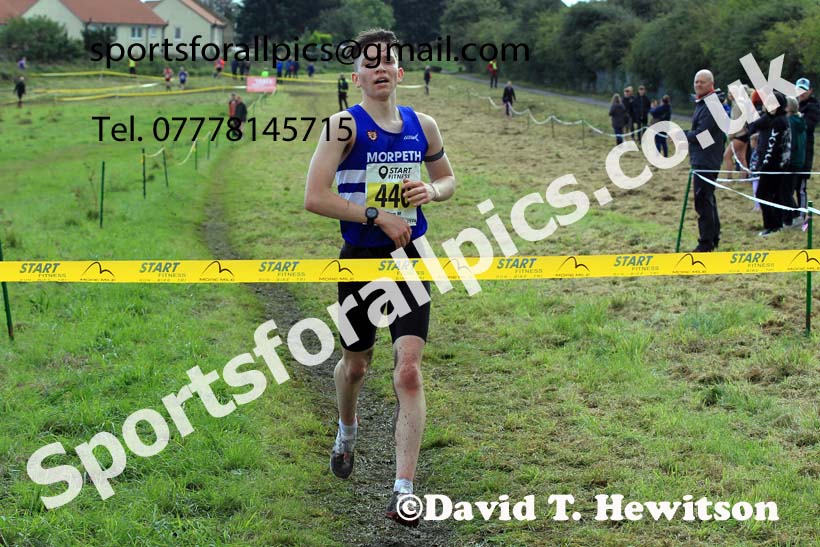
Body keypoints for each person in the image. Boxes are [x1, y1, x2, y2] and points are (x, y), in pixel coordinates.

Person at [304, 28, 455, 528]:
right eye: (370, 64)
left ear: (400, 71)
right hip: (360, 261)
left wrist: (432, 193)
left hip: (411, 257)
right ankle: (346, 431)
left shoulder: (423, 125)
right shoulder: (342, 126)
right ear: (357, 78)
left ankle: (404, 490)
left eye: (387, 61)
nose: (380, 69)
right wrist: (375, 215)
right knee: (356, 366)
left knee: (408, 370)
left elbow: (448, 179)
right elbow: (314, 197)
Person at [684, 69, 724, 252]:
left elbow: (704, 137)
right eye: (696, 81)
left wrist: (682, 135)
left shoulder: (712, 105)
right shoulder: (704, 103)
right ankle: (713, 237)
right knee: (708, 199)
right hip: (703, 158)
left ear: (711, 84)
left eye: (702, 82)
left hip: (706, 160)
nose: (698, 85)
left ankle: (705, 243)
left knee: (703, 202)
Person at [747, 89, 790, 236]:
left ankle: (771, 226)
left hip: (773, 165)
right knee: (774, 195)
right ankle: (776, 225)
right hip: (774, 165)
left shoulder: (779, 121)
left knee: (763, 194)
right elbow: (754, 125)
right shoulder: (772, 118)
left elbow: (773, 145)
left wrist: (764, 165)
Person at [797, 78, 819, 225]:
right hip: (792, 152)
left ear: (810, 90)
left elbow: (808, 126)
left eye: (804, 90)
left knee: (801, 185)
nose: (802, 92)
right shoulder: (793, 104)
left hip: (805, 150)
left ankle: (802, 215)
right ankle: (792, 215)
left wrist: (796, 118)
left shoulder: (813, 107)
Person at [784, 95, 806, 227]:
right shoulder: (799, 120)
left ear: (787, 107)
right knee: (788, 190)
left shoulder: (791, 122)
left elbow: (790, 143)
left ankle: (792, 218)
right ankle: (794, 216)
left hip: (791, 162)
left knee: (786, 191)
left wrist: (785, 160)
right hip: (799, 161)